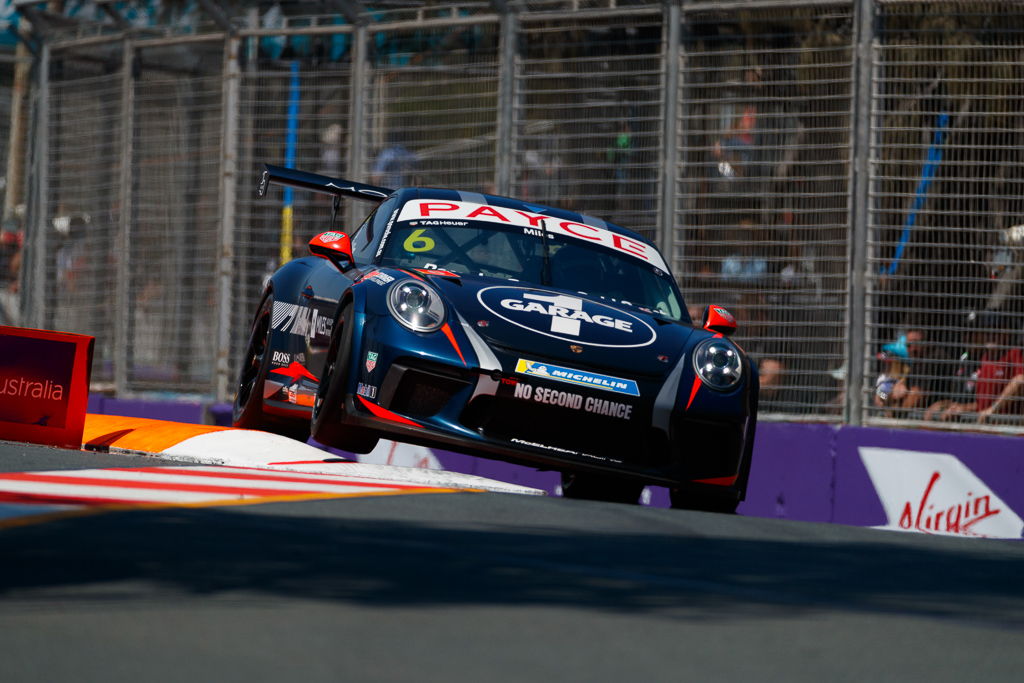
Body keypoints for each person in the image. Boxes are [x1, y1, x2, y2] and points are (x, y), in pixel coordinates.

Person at [925, 312, 1024, 423]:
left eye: (996, 331)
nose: (991, 335)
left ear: (1006, 333)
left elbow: (1020, 380)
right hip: (983, 425)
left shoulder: (1014, 353)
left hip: (1006, 425)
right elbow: (981, 402)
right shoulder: (985, 357)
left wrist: (992, 409)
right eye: (987, 331)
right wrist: (947, 405)